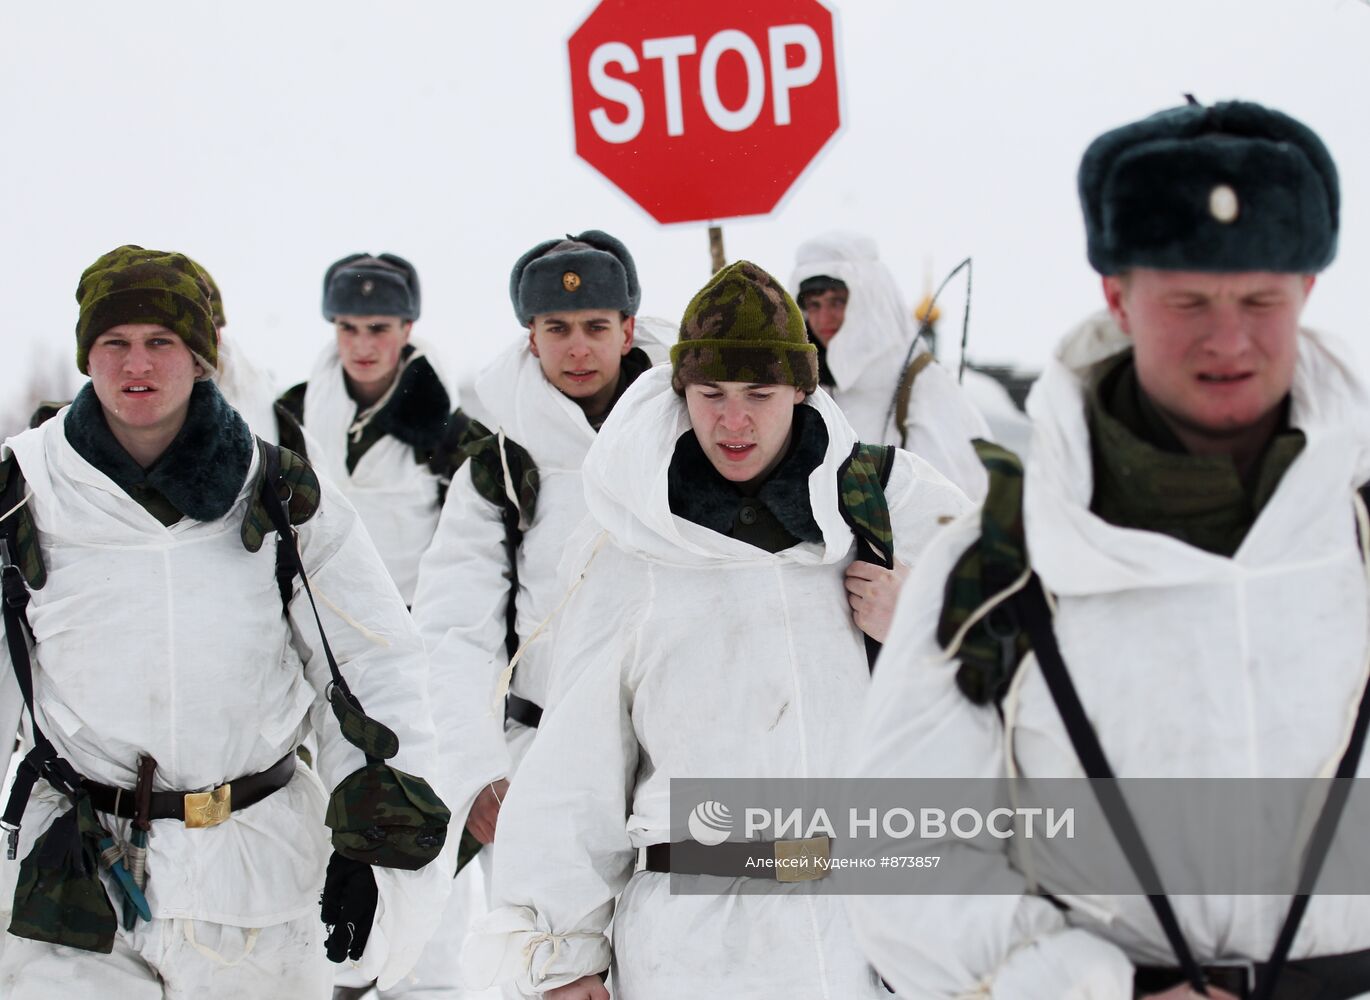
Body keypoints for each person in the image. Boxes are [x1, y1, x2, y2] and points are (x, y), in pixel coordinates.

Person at [846, 100, 1368, 999]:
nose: (1229, 338)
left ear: (1308, 293)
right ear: (1118, 297)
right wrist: (1088, 989)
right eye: (1189, 300)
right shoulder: (1000, 563)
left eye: (1259, 299)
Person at [462, 261, 971, 999]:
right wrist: (565, 957)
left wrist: (923, 621)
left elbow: (1030, 659)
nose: (734, 422)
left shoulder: (888, 505)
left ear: (802, 390)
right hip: (692, 944)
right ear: (682, 394)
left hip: (864, 933)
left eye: (760, 395)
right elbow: (577, 769)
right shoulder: (629, 547)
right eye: (712, 395)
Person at [0, 245, 454, 998]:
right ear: (87, 355)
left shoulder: (279, 493)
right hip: (76, 876)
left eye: (160, 342)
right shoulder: (23, 492)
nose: (135, 364)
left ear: (201, 355)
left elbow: (373, 669)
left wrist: (377, 843)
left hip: (256, 878)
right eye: (114, 342)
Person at [407, 230, 664, 999]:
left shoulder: (684, 435)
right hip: (541, 758)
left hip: (666, 749)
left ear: (628, 326)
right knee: (553, 972)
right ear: (532, 336)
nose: (577, 347)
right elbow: (454, 628)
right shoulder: (500, 466)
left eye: (594, 327)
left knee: (672, 960)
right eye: (557, 328)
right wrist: (476, 769)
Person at [278, 253, 467, 605]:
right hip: (320, 609)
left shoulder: (447, 427)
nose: (362, 346)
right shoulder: (293, 413)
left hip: (416, 613)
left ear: (406, 328)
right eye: (348, 328)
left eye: (378, 328)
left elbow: (470, 546)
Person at [792, 231, 990, 500]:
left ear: (869, 300)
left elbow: (954, 505)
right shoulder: (806, 387)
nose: (823, 317)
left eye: (837, 302)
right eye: (813, 305)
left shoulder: (921, 384)